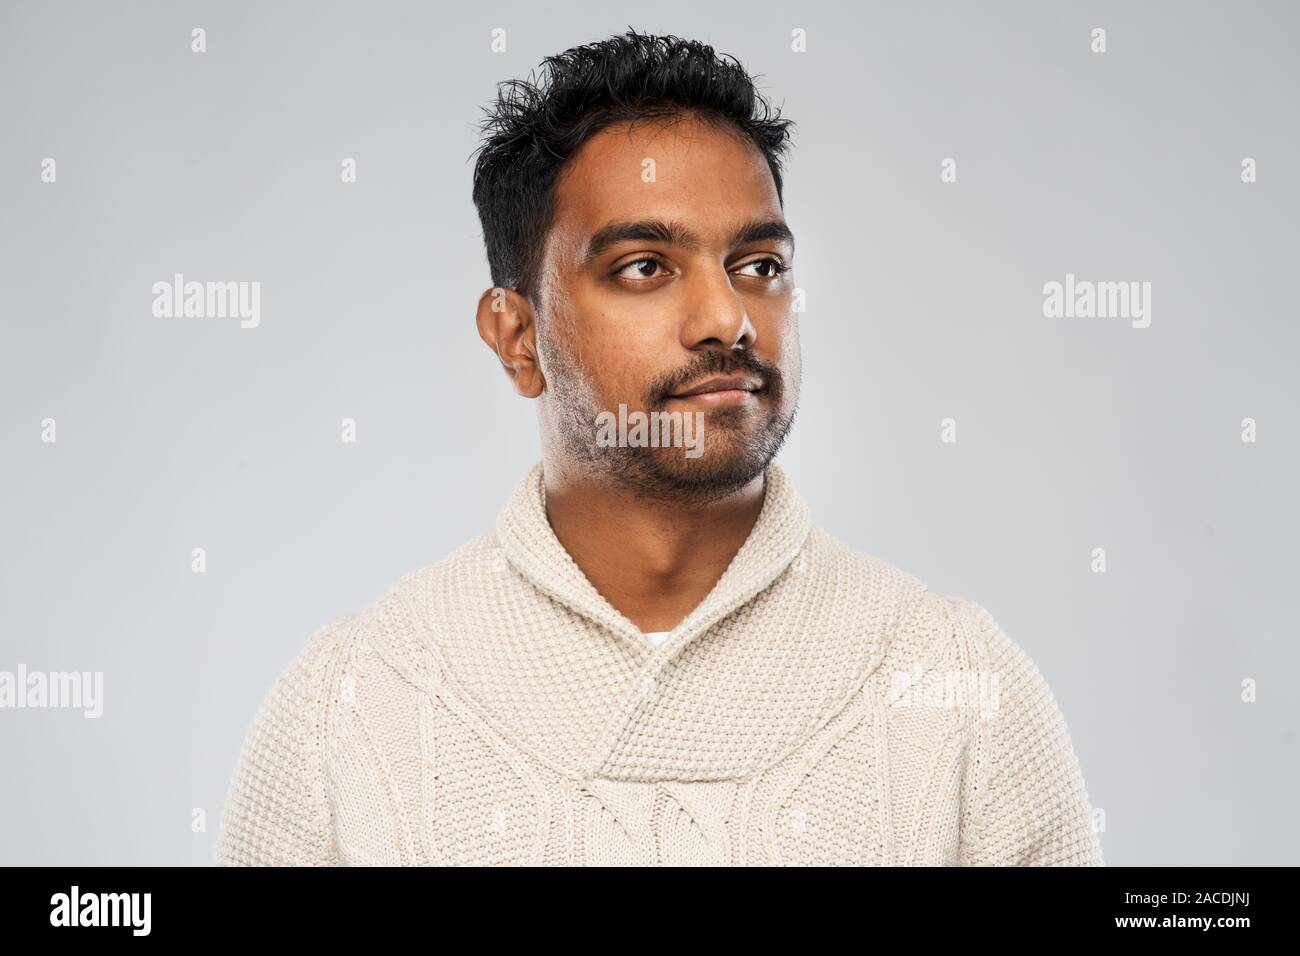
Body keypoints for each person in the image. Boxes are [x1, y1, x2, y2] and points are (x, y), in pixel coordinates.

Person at [215, 29, 1103, 866]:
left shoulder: (957, 687)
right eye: (644, 266)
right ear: (517, 337)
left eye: (759, 267)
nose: (727, 318)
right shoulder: (352, 701)